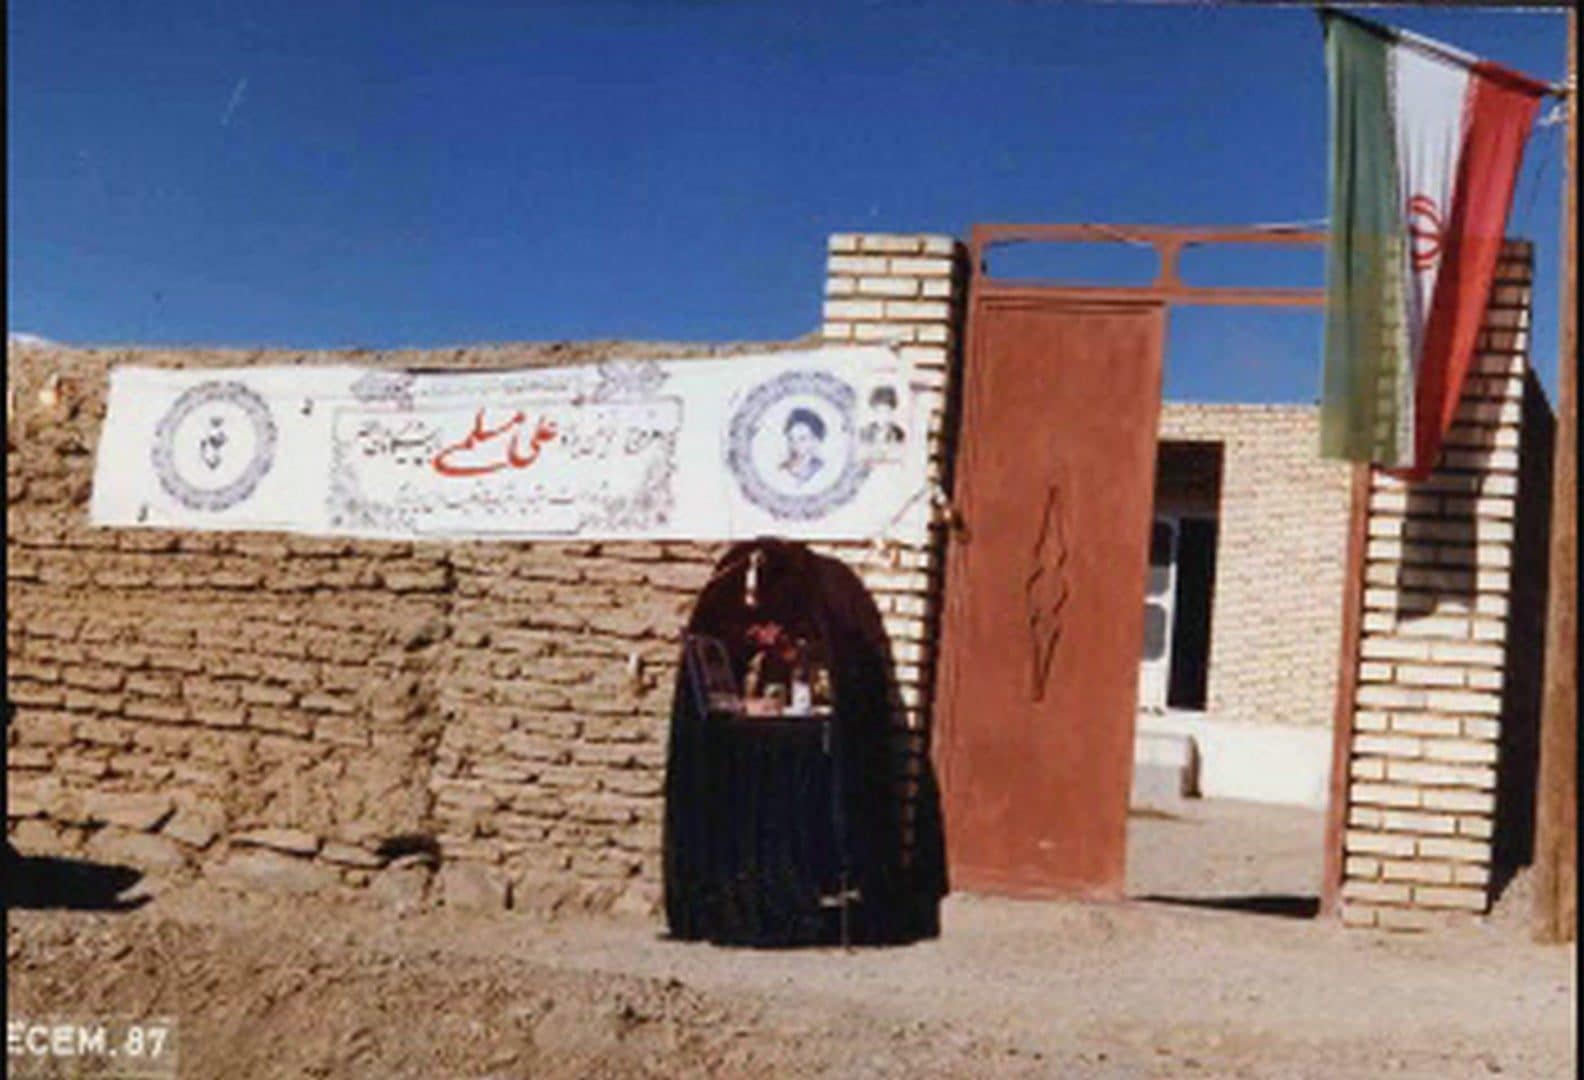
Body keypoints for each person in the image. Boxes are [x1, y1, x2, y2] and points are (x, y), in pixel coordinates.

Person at [779, 407, 826, 484]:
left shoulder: (822, 471)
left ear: (815, 441)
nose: (795, 445)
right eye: (791, 439)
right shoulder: (782, 471)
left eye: (802, 439)